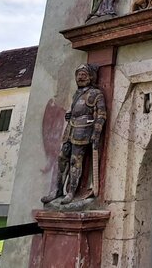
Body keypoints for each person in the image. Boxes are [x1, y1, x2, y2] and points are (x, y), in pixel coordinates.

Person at [41, 64, 107, 205]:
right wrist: (71, 114)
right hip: (70, 129)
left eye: (83, 75)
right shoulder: (77, 93)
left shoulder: (96, 94)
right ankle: (57, 190)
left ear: (90, 77)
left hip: (83, 131)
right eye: (78, 75)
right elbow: (76, 109)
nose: (80, 77)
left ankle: (71, 192)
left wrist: (96, 133)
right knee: (62, 158)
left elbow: (101, 115)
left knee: (75, 161)